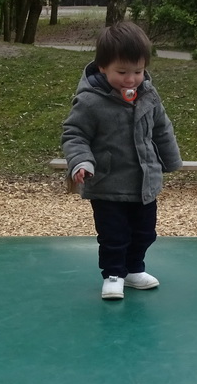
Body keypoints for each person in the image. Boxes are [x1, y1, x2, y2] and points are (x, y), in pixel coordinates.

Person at [61, 21, 183, 300]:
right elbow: (74, 134)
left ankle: (133, 269)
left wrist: (170, 160)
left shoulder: (149, 95)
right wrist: (82, 162)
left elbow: (162, 127)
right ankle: (113, 274)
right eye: (122, 72)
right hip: (107, 183)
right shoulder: (90, 101)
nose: (130, 79)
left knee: (145, 232)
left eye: (138, 71)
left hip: (144, 183)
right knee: (113, 235)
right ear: (102, 67)